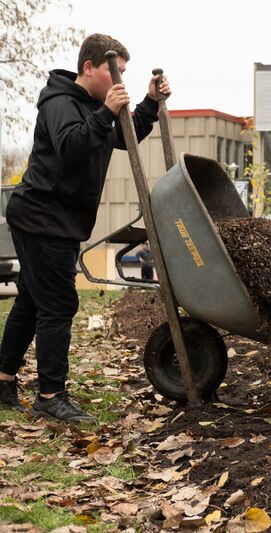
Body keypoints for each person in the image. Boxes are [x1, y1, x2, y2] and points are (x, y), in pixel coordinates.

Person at [0, 34, 170, 422]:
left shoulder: (93, 106)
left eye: (123, 73)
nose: (118, 80)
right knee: (59, 304)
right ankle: (50, 395)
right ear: (89, 68)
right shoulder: (60, 102)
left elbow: (124, 137)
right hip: (43, 218)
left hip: (53, 219)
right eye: (114, 72)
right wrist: (106, 112)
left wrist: (149, 104)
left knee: (32, 300)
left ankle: (4, 378)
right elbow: (72, 146)